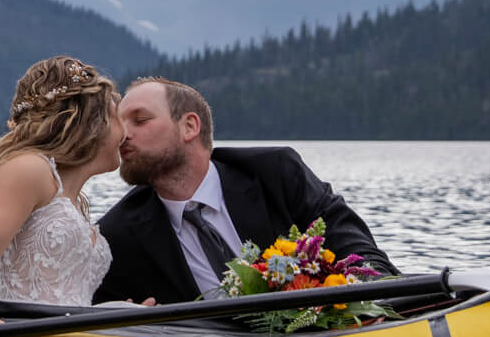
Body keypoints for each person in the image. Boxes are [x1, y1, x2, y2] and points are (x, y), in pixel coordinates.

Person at [92, 77, 395, 307]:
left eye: (140, 120)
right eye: (119, 123)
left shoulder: (276, 174)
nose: (122, 135)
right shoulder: (117, 233)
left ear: (189, 126)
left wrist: (367, 298)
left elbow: (361, 252)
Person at [0, 56, 122, 337]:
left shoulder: (72, 200)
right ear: (94, 123)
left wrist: (116, 311)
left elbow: (62, 295)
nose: (126, 132)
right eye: (118, 117)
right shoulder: (30, 169)